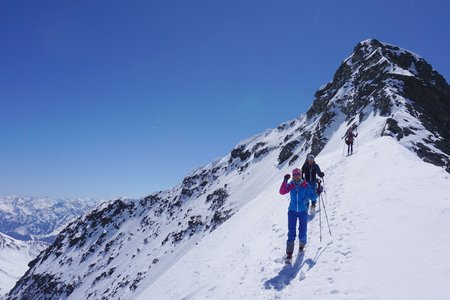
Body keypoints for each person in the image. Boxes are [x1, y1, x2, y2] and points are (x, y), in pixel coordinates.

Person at [279, 168, 316, 259]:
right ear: (293, 176)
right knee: (291, 232)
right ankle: (289, 253)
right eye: (294, 175)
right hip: (292, 211)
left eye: (298, 174)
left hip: (303, 211)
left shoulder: (305, 185)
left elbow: (312, 196)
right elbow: (282, 192)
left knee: (302, 231)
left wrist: (318, 191)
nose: (296, 176)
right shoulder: (290, 185)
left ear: (301, 175)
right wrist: (284, 181)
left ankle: (302, 245)